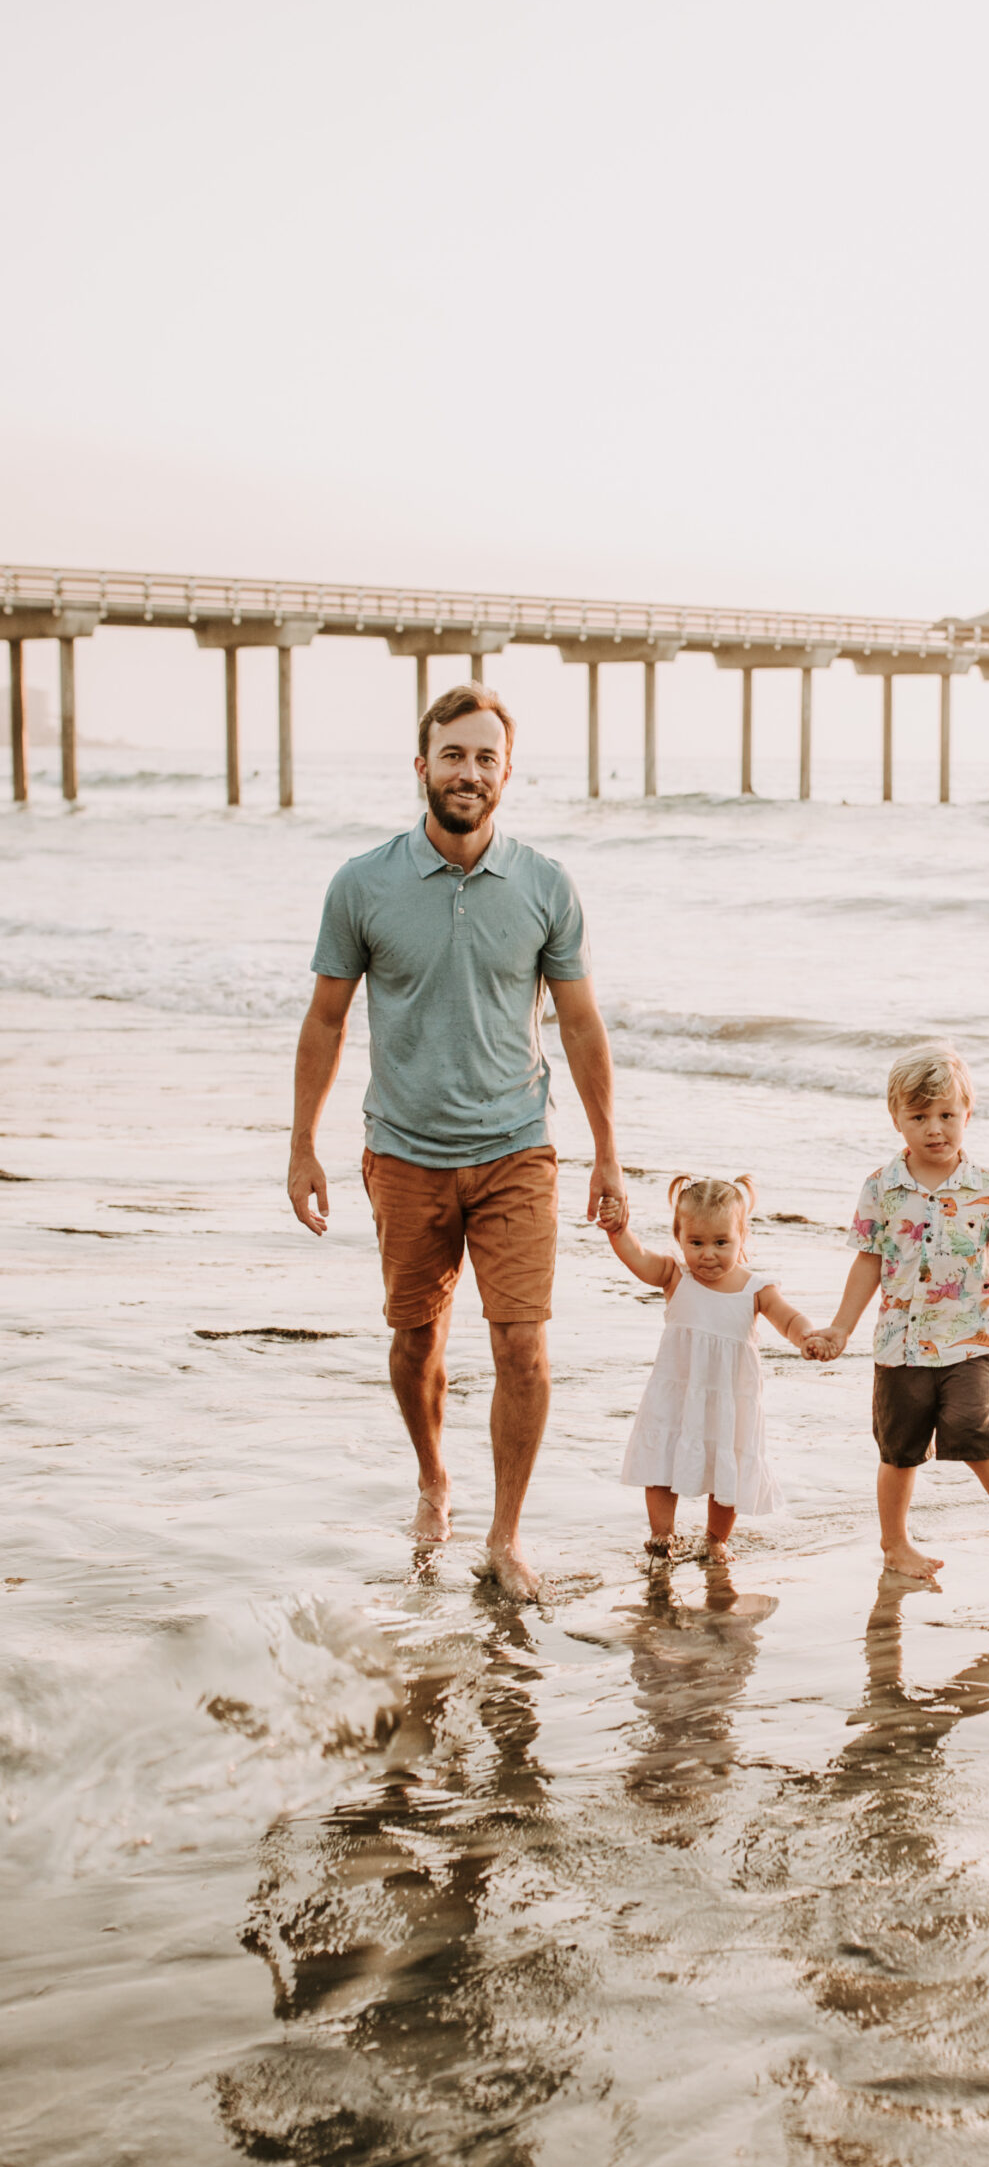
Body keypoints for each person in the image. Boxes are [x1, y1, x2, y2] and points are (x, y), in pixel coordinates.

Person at [287, 683, 626, 1599]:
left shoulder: (546, 884)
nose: (468, 772)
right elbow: (325, 1020)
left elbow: (583, 1024)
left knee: (522, 1345)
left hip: (519, 1145)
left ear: (505, 773)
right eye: (452, 755)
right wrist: (302, 1145)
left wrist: (605, 1149)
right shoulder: (362, 884)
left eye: (485, 758)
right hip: (402, 1151)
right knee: (414, 1340)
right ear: (422, 766)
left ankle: (505, 1537)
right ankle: (434, 1478)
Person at [806, 1042, 989, 1589]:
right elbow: (868, 1261)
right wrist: (841, 1326)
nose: (935, 1128)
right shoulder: (881, 1186)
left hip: (968, 1341)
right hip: (899, 1343)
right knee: (899, 1448)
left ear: (967, 1114)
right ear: (896, 1119)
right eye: (920, 1116)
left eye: (948, 1115)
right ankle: (895, 1544)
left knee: (970, 1429)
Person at [603, 1173, 814, 1559]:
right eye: (695, 1243)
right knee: (662, 1463)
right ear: (679, 1237)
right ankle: (662, 1533)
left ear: (742, 1237)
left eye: (721, 1242)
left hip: (728, 1400)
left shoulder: (756, 1288)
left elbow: (788, 1318)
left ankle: (716, 1539)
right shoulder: (674, 1276)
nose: (708, 1254)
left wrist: (808, 1337)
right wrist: (619, 1230)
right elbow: (637, 1257)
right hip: (677, 1393)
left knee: (726, 1465)